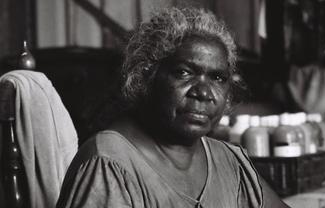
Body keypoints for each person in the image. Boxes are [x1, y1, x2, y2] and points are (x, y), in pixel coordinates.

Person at [57, 7, 289, 208]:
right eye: (184, 73)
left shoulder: (228, 161)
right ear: (146, 75)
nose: (204, 93)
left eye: (218, 78)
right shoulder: (109, 164)